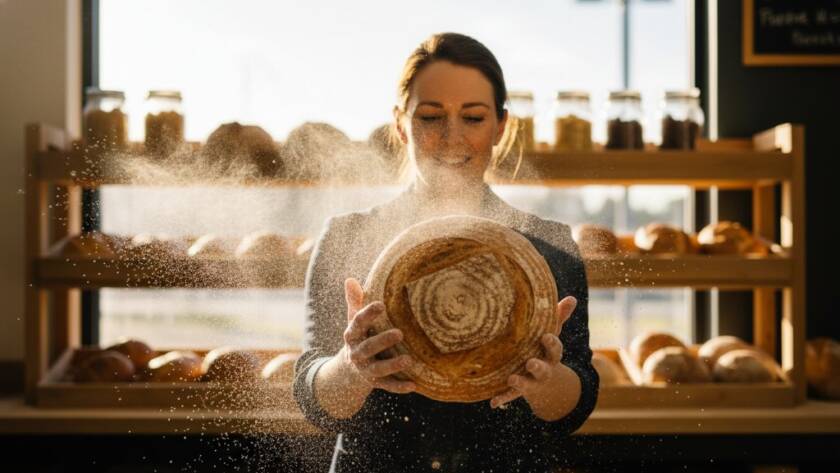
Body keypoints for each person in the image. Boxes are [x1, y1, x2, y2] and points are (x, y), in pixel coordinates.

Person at [293, 32, 599, 472]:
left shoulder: (548, 246)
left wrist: (548, 382)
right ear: (401, 124)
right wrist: (350, 368)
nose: (452, 137)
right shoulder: (348, 237)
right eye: (431, 117)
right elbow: (317, 402)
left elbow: (574, 407)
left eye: (473, 118)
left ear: (500, 126)